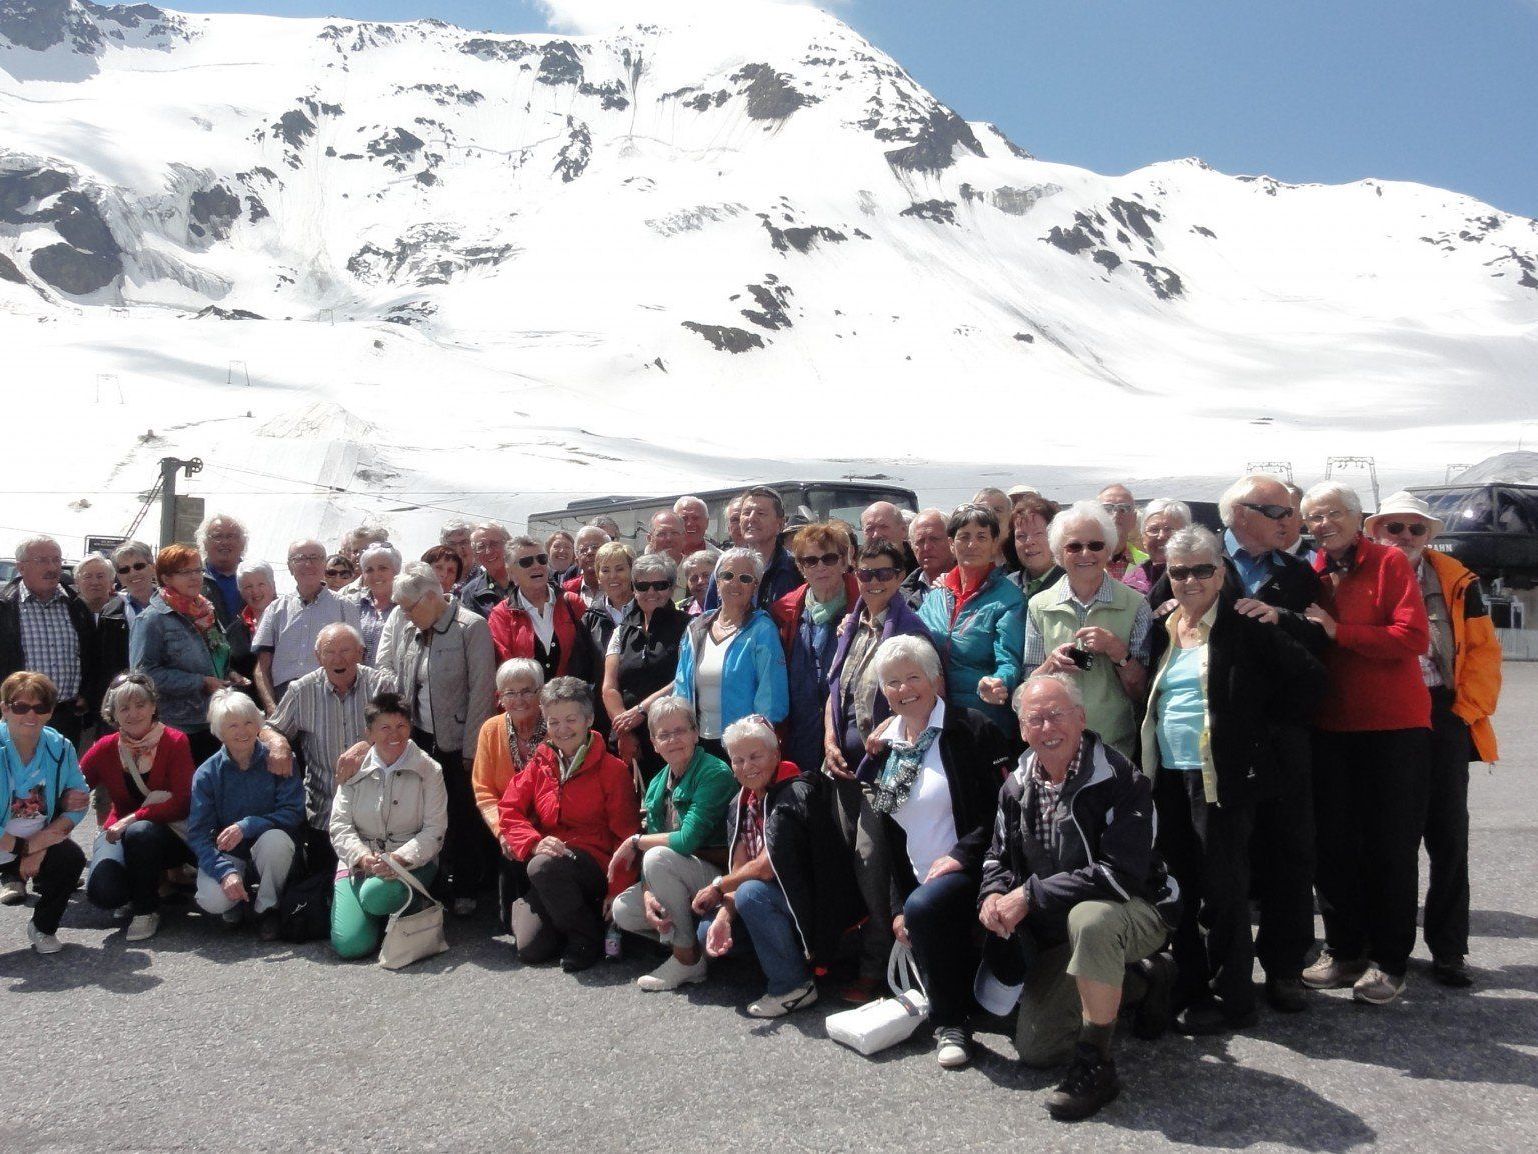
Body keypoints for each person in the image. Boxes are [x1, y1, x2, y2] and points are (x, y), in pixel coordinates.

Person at [1148, 473, 1329, 1011]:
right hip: (1172, 774)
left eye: (1203, 570)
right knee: (1180, 883)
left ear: (1221, 572)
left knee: (1229, 886)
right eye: (1179, 573)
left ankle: (1236, 993)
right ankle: (1191, 983)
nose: (1189, 581)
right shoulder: (1167, 624)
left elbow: (1312, 680)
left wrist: (1256, 731)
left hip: (1226, 772)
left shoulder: (1247, 622)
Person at [974, 674, 1176, 1122]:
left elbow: (1120, 877)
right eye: (1035, 720)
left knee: (1092, 920)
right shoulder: (1016, 784)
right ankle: (1142, 982)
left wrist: (1029, 894)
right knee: (1037, 1050)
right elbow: (996, 857)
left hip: (1134, 910)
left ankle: (1096, 1064)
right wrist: (992, 897)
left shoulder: (1122, 779)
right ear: (1022, 730)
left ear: (1081, 718)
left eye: (1057, 715)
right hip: (1060, 922)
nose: (1047, 728)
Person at [1299, 482, 1431, 1006]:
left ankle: (1390, 962)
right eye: (1313, 517)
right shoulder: (1311, 571)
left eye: (1332, 514)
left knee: (1391, 847)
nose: (1322, 524)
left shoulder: (1390, 562)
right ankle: (1344, 949)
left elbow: (1413, 637)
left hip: (1394, 727)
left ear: (1358, 519)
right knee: (1333, 846)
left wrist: (1338, 631)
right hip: (1331, 727)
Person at [1367, 491, 1502, 987]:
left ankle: (1448, 949)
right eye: (1394, 528)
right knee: (1388, 838)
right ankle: (1383, 949)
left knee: (1449, 836)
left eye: (1415, 529)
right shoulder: (1359, 573)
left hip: (1441, 711)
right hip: (1382, 716)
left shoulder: (1457, 580)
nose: (1405, 538)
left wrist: (1467, 711)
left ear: (1431, 535)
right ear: (1374, 530)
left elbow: (1485, 649)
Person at [857, 636, 1011, 1067]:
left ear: (936, 680)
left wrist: (963, 855)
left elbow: (1005, 810)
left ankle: (950, 1024)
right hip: (919, 876)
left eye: (913, 678)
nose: (904, 689)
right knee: (917, 909)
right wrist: (897, 905)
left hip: (975, 869)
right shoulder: (891, 746)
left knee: (926, 907)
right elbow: (893, 835)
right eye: (892, 683)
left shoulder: (971, 729)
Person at [691, 714, 860, 1017]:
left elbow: (768, 866)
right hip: (774, 905)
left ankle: (794, 985)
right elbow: (738, 869)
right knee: (709, 929)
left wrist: (718, 886)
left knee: (751, 893)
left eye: (755, 756)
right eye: (738, 759)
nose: (747, 766)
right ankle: (782, 962)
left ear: (776, 753)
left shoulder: (797, 791)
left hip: (815, 910)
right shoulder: (740, 803)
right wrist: (725, 917)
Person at [821, 540, 932, 997]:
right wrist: (828, 739)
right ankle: (859, 954)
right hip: (842, 766)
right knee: (849, 863)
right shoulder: (853, 625)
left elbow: (921, 697)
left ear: (901, 575)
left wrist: (887, 729)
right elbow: (833, 689)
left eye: (884, 574)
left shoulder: (910, 631)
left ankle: (880, 963)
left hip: (883, 768)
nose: (873, 582)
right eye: (865, 574)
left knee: (876, 864)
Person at [376, 562, 496, 914]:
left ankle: (467, 887)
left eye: (410, 607)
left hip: (457, 740)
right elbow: (402, 681)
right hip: (421, 737)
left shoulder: (471, 627)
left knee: (461, 815)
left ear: (430, 598)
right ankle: (433, 882)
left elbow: (481, 691)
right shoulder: (413, 626)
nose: (405, 615)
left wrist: (472, 747)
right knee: (425, 814)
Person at [498, 678, 638, 971]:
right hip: (554, 865)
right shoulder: (541, 760)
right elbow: (509, 808)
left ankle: (586, 938)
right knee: (531, 950)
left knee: (541, 866)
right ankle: (567, 913)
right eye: (554, 721)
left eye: (571, 720)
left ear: (588, 719)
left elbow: (627, 835)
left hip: (594, 865)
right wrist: (533, 841)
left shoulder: (612, 769)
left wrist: (618, 889)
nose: (562, 729)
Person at [608, 696, 736, 991]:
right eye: (663, 735)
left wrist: (636, 841)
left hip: (719, 876)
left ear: (695, 732)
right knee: (625, 909)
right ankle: (694, 945)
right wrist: (648, 893)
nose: (673, 740)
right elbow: (656, 845)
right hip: (680, 873)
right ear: (653, 743)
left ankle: (686, 960)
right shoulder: (657, 783)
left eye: (680, 731)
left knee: (657, 858)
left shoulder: (713, 772)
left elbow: (687, 839)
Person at [262, 623, 396, 878]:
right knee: (323, 896)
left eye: (345, 650)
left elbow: (401, 735)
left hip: (378, 811)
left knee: (377, 886)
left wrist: (369, 745)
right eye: (329, 652)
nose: (338, 659)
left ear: (360, 652)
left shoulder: (382, 686)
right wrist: (278, 743)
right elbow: (271, 728)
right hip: (326, 811)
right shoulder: (301, 690)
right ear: (317, 657)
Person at [1024, 501, 1151, 760]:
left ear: (1109, 549)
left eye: (1095, 545)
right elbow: (1028, 685)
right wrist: (1050, 665)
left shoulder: (1135, 605)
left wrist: (1118, 652)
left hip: (1114, 746)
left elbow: (1144, 693)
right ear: (1059, 553)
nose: (1085, 554)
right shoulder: (1039, 605)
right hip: (1056, 744)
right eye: (1074, 546)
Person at [329, 692, 448, 960]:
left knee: (376, 895)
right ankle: (386, 914)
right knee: (350, 946)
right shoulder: (353, 768)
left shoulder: (430, 771)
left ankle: (408, 903)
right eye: (384, 727)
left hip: (410, 863)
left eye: (401, 726)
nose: (394, 735)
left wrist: (398, 859)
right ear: (369, 732)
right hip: (359, 864)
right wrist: (361, 858)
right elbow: (339, 825)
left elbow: (434, 831)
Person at [80, 672, 197, 941]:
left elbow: (181, 802)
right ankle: (138, 889)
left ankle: (146, 911)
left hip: (166, 834)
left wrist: (132, 819)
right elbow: (74, 787)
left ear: (154, 706)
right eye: (124, 708)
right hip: (119, 829)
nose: (133, 714)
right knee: (103, 892)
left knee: (141, 831)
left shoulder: (176, 741)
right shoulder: (105, 748)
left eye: (140, 705)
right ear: (113, 714)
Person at [186, 689, 303, 940]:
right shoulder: (207, 774)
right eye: (233, 725)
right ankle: (236, 901)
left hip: (270, 848)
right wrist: (223, 871)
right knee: (211, 900)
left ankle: (267, 908)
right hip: (230, 853)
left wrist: (247, 825)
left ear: (259, 724)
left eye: (249, 722)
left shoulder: (280, 759)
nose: (243, 731)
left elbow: (293, 813)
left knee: (276, 842)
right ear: (220, 731)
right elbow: (197, 833)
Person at [130, 544, 245, 766]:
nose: (195, 577)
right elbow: (143, 675)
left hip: (215, 719)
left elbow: (213, 656)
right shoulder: (152, 619)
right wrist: (200, 683)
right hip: (178, 725)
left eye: (198, 570)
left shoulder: (205, 610)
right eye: (185, 572)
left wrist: (228, 674)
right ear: (166, 577)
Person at [0, 672, 90, 953]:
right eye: (20, 706)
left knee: (70, 859)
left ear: (50, 712)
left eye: (40, 707)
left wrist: (42, 842)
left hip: (35, 839)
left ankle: (43, 927)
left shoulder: (60, 747)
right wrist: (23, 848)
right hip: (8, 842)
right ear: (4, 708)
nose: (31, 714)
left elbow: (80, 801)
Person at [916, 504, 1025, 734]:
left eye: (982, 537)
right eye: (963, 537)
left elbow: (1009, 661)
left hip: (981, 722)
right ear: (951, 544)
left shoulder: (1009, 599)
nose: (972, 544)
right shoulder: (936, 596)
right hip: (933, 717)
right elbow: (911, 638)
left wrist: (999, 682)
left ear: (995, 543)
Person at [672, 548, 789, 760]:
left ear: (755, 586)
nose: (734, 584)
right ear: (717, 583)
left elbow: (771, 697)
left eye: (745, 578)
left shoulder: (763, 629)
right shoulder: (696, 628)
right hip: (697, 745)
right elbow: (681, 687)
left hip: (742, 749)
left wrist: (752, 745)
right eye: (727, 576)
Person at [771, 523, 858, 777]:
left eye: (829, 558)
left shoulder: (865, 607)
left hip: (850, 737)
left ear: (844, 561)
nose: (820, 567)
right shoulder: (784, 613)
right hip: (800, 737)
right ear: (801, 567)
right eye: (810, 560)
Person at [471, 659, 546, 933]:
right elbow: (484, 791)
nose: (519, 699)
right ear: (499, 697)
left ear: (541, 691)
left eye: (527, 690)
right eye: (509, 693)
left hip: (551, 828)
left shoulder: (556, 726)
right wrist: (503, 832)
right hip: (510, 829)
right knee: (509, 924)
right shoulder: (491, 730)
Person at [0, 536, 95, 745]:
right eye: (42, 560)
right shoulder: (5, 607)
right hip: (18, 716)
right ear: (21, 567)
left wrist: (87, 695)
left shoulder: (76, 606)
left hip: (66, 716)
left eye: (56, 560)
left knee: (61, 776)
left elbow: (94, 655)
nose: (52, 567)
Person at [601, 553, 688, 781]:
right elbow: (609, 686)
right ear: (634, 588)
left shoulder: (689, 627)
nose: (651, 592)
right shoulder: (621, 630)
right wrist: (625, 729)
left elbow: (683, 678)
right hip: (625, 739)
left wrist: (641, 711)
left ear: (671, 588)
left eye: (660, 585)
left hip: (670, 738)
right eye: (643, 585)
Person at [252, 539, 360, 712]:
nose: (308, 563)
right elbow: (262, 668)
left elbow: (357, 660)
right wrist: (273, 709)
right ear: (289, 566)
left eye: (315, 557)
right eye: (300, 558)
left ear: (324, 564)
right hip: (284, 700)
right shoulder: (275, 609)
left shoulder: (344, 607)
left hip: (330, 699)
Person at [488, 537, 593, 681]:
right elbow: (504, 666)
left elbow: (590, 655)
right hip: (525, 700)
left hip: (569, 698)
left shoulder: (572, 603)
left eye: (541, 559)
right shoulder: (501, 614)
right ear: (510, 572)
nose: (536, 565)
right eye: (526, 562)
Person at [703, 488, 800, 611]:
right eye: (746, 513)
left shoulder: (794, 569)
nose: (751, 519)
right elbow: (710, 616)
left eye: (761, 513)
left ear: (780, 525)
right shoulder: (724, 565)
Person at [77, 555, 130, 720]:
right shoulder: (69, 612)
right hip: (78, 702)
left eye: (101, 576)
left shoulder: (125, 611)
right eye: (88, 576)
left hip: (117, 698)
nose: (95, 582)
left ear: (111, 580)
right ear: (77, 581)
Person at [580, 542, 635, 698]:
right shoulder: (589, 619)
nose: (613, 576)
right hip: (603, 708)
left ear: (632, 572)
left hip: (643, 707)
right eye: (605, 570)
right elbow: (583, 670)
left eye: (620, 569)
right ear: (598, 577)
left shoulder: (647, 611)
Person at [199, 515, 251, 671]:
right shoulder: (192, 579)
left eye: (231, 536)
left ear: (243, 543)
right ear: (204, 543)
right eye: (217, 536)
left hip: (249, 668)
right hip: (206, 669)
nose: (225, 542)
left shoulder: (256, 578)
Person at [1007, 494, 1064, 601]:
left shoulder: (1072, 584)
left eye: (1038, 533)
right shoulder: (1007, 586)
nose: (1029, 542)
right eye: (1021, 536)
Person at [352, 543, 401, 663]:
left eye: (382, 568)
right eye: (369, 570)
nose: (376, 575)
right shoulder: (353, 605)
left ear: (396, 571)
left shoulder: (406, 606)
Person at [1098, 484, 1150, 591]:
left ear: (1134, 518)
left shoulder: (1148, 564)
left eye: (1123, 509)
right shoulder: (1080, 559)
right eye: (1107, 508)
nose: (1116, 514)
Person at [901, 508, 954, 608]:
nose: (927, 547)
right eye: (920, 541)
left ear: (951, 542)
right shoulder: (900, 595)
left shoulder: (971, 587)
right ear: (911, 546)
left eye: (935, 539)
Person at [1134, 499, 1190, 591]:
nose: (1161, 536)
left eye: (1169, 529)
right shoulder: (1131, 584)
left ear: (1187, 534)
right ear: (1143, 538)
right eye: (1154, 530)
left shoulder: (1202, 576)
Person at [459, 522, 512, 618]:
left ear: (509, 545)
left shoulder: (529, 577)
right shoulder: (470, 593)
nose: (488, 551)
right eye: (481, 546)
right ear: (475, 554)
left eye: (494, 544)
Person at [111, 540, 158, 626]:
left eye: (139, 566)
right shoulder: (109, 612)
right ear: (118, 576)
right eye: (124, 569)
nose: (133, 573)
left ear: (153, 568)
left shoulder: (173, 606)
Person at [564, 525, 610, 606]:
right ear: (577, 561)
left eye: (595, 547)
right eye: (583, 549)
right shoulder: (566, 592)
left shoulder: (621, 586)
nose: (589, 552)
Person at [236, 561, 277, 641]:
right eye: (248, 587)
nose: (255, 591)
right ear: (241, 592)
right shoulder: (235, 631)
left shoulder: (290, 619)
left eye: (261, 584)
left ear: (273, 586)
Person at [680, 549, 717, 616]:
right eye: (694, 578)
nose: (700, 581)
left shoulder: (734, 606)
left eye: (706, 575)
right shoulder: (680, 611)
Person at [439, 519, 475, 584]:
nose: (458, 549)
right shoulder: (436, 581)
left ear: (474, 545)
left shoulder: (486, 581)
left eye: (464, 542)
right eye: (452, 544)